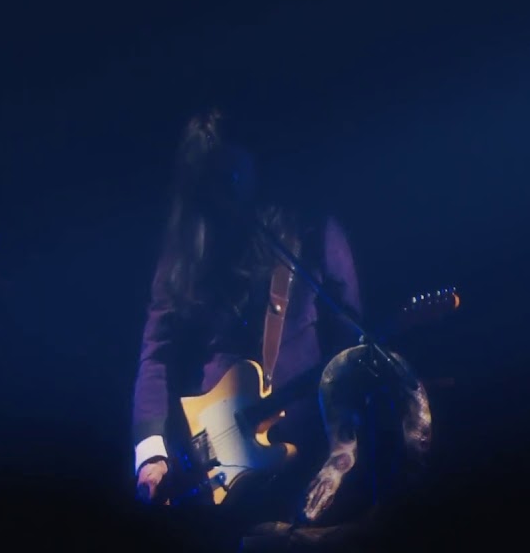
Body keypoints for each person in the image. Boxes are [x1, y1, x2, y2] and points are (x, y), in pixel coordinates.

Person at [130, 108, 384, 538]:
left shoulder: (312, 234)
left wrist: (345, 441)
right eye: (212, 180)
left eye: (233, 174)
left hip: (308, 450)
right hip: (214, 464)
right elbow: (157, 352)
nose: (225, 191)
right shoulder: (185, 251)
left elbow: (350, 340)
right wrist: (152, 452)